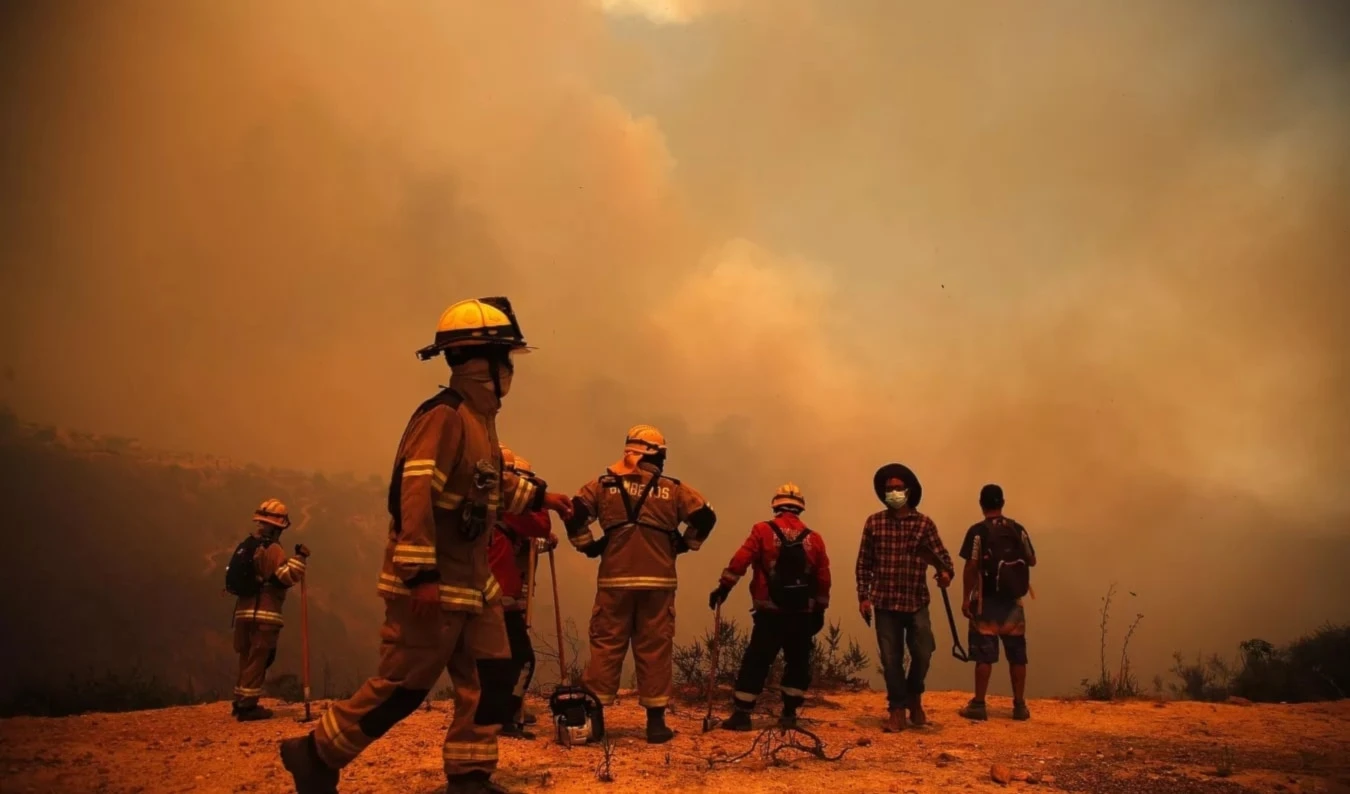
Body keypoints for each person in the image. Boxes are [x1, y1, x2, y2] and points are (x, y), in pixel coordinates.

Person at [280, 296, 574, 794]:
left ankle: (469, 777)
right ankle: (314, 753)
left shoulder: (481, 422)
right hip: (433, 582)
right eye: (504, 358)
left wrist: (548, 497)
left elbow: (488, 488)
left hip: (472, 584)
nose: (509, 370)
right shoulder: (444, 417)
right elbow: (412, 494)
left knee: (492, 679)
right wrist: (420, 576)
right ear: (479, 360)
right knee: (403, 688)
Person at [564, 424, 717, 744]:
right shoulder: (674, 489)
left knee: (606, 646)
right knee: (655, 648)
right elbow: (705, 518)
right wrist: (684, 544)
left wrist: (588, 545)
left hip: (614, 582)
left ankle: (594, 721)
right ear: (656, 455)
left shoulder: (602, 485)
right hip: (658, 583)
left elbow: (572, 512)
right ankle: (656, 723)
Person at [709, 482, 831, 731]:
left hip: (770, 612)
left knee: (757, 660)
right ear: (801, 508)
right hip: (802, 614)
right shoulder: (814, 539)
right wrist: (820, 610)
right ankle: (788, 714)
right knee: (798, 662)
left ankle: (742, 714)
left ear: (775, 505)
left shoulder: (762, 531)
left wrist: (724, 587)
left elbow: (741, 560)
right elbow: (823, 578)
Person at [855, 463, 954, 733]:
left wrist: (945, 575)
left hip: (916, 601)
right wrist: (863, 597)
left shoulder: (924, 525)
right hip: (885, 603)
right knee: (891, 658)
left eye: (898, 488)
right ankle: (897, 710)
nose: (894, 493)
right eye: (889, 489)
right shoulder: (874, 523)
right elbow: (864, 563)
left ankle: (914, 696)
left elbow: (944, 561)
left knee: (923, 651)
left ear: (909, 491)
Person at [489, 447, 557, 739]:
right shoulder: (506, 507)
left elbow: (521, 540)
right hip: (499, 599)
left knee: (489, 660)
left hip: (490, 596)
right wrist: (539, 497)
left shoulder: (489, 510)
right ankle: (504, 715)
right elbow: (539, 524)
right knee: (521, 658)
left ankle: (497, 712)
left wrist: (542, 543)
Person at [958, 484, 1036, 722]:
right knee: (1017, 655)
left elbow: (971, 566)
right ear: (1003, 502)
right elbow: (1032, 560)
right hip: (1013, 602)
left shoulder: (977, 532)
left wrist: (965, 598)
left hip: (986, 602)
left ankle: (979, 704)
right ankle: (1020, 706)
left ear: (981, 504)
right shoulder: (1017, 529)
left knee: (984, 656)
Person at [229, 498, 309, 721]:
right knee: (259, 658)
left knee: (246, 656)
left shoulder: (248, 545)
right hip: (265, 614)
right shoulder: (272, 549)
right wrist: (300, 560)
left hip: (243, 613)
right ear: (278, 526)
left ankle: (239, 699)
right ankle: (248, 706)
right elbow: (283, 577)